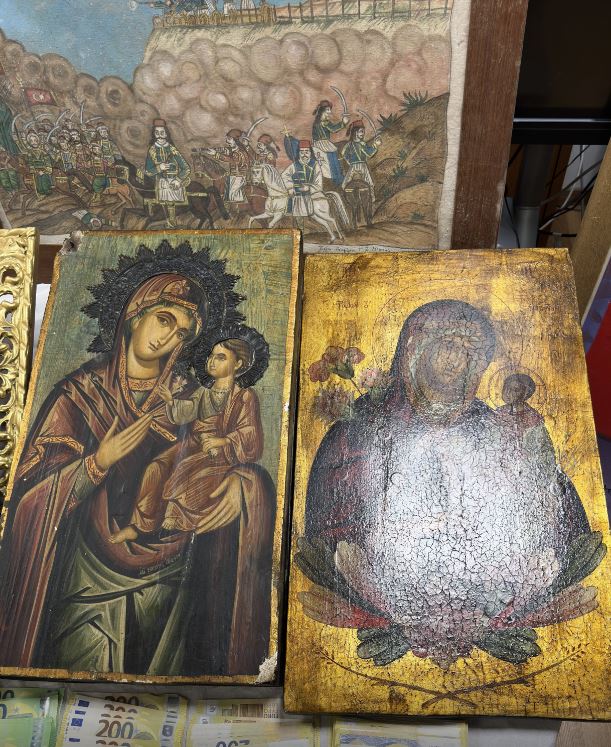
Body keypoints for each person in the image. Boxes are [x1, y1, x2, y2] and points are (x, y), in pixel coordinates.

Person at [0, 272, 275, 677]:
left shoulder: (189, 395)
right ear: (135, 312)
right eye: (164, 320)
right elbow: (28, 499)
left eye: (182, 334)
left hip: (172, 582)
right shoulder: (78, 395)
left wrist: (244, 483)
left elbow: (222, 448)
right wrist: (97, 462)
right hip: (85, 578)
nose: (168, 339)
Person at [300, 300, 593, 666]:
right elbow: (331, 524)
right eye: (450, 345)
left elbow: (552, 513)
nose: (459, 361)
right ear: (415, 348)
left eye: (472, 353)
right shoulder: (360, 427)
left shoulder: (496, 428)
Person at [109, 336, 264, 540]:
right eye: (211, 356)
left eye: (220, 358)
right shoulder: (204, 393)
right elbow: (187, 411)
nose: (212, 361)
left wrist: (223, 441)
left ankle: (175, 519)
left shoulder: (244, 396)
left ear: (238, 364)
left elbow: (250, 431)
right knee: (156, 468)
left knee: (184, 469)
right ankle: (139, 526)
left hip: (219, 454)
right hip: (193, 444)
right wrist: (171, 402)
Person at [144, 118, 191, 227]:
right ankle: (168, 221)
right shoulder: (152, 150)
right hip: (161, 183)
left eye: (162, 133)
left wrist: (178, 180)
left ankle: (173, 222)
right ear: (154, 134)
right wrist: (159, 168)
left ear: (166, 134)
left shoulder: (172, 149)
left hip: (175, 182)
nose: (159, 136)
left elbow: (186, 168)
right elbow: (148, 171)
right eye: (157, 133)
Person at [205, 128, 251, 207]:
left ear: (236, 141)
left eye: (229, 139)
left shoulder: (240, 152)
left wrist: (216, 154)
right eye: (227, 139)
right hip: (234, 176)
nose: (227, 141)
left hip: (239, 177)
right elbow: (227, 152)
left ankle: (234, 207)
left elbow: (232, 160)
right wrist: (215, 151)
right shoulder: (234, 150)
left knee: (232, 194)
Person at [281, 139, 323, 219]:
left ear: (310, 153)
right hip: (297, 196)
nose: (304, 155)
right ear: (299, 153)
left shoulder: (315, 165)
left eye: (306, 152)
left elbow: (319, 183)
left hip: (311, 195)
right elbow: (284, 176)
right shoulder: (294, 165)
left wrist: (309, 188)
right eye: (302, 152)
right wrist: (290, 187)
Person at [341, 119, 381, 202]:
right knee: (345, 184)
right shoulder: (349, 145)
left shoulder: (362, 144)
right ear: (355, 132)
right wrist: (349, 161)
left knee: (369, 183)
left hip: (363, 165)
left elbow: (369, 153)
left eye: (363, 131)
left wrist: (375, 145)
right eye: (361, 131)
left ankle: (371, 198)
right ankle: (347, 199)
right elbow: (344, 154)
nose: (363, 133)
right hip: (353, 167)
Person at [312, 99, 349, 186]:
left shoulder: (317, 122)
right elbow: (334, 129)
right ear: (322, 111)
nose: (329, 112)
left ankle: (337, 177)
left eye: (329, 110)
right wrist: (343, 123)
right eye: (327, 110)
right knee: (333, 155)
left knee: (334, 153)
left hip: (318, 144)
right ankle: (337, 178)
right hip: (322, 144)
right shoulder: (324, 122)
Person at [22, 131, 53, 197]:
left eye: (35, 140)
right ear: (29, 142)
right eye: (31, 141)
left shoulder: (43, 151)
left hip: (44, 170)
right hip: (36, 171)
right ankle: (41, 193)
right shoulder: (30, 153)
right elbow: (30, 163)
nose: (34, 142)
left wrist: (45, 171)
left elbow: (48, 162)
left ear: (38, 140)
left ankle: (47, 191)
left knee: (44, 182)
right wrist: (34, 171)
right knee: (38, 183)